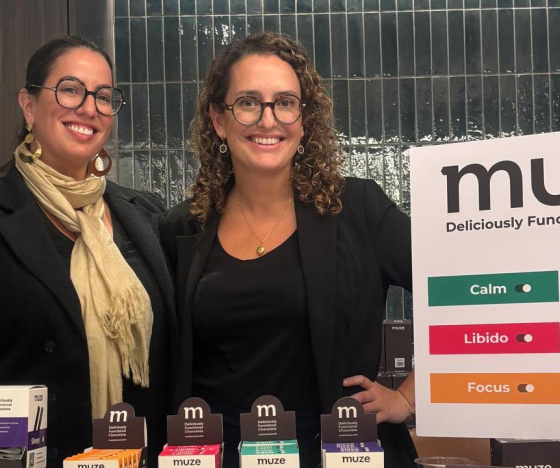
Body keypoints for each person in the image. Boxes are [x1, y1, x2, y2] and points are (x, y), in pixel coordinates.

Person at [0, 36, 176, 467]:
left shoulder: (147, 216)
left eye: (104, 96)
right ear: (29, 105)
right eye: (71, 90)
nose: (90, 108)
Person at [160, 32, 417, 467]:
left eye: (285, 102)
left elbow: (464, 296)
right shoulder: (183, 228)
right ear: (219, 120)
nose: (268, 120)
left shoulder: (359, 209)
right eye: (248, 102)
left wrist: (407, 398)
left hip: (337, 452)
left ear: (303, 119)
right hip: (221, 455)